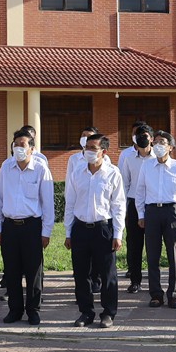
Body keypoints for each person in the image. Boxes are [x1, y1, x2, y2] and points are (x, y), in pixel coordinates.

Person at [0, 130, 55, 326]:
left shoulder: (41, 169)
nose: (18, 148)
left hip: (32, 227)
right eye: (16, 144)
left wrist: (46, 232)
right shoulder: (6, 167)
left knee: (33, 271)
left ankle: (33, 310)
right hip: (10, 226)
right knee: (11, 270)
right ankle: (15, 310)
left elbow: (48, 204)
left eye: (23, 144)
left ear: (32, 149)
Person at [65, 132, 125, 328]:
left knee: (108, 274)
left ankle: (108, 313)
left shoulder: (113, 173)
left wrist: (118, 234)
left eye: (93, 148)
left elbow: (118, 205)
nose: (88, 151)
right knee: (81, 274)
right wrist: (68, 232)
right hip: (80, 228)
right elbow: (70, 203)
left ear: (103, 152)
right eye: (86, 148)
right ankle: (86, 312)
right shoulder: (77, 173)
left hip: (103, 228)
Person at [137, 131, 176, 309]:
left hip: (171, 211)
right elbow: (140, 191)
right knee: (152, 255)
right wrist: (141, 214)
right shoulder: (146, 165)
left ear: (170, 147)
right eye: (156, 142)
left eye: (162, 142)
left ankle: (174, 294)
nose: (158, 145)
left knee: (174, 255)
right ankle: (156, 294)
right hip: (152, 211)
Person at [118, 124, 154, 294]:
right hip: (133, 204)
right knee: (134, 244)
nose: (142, 139)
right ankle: (135, 280)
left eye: (145, 135)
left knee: (153, 245)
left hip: (153, 204)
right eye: (138, 136)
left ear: (151, 138)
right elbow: (124, 184)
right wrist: (124, 207)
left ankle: (154, 282)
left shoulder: (158, 158)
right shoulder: (128, 158)